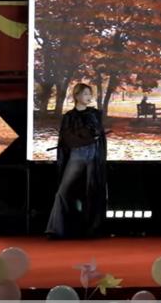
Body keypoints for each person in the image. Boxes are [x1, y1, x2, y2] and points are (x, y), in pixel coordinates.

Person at [45, 83, 108, 239]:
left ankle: (91, 230)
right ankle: (56, 229)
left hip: (93, 156)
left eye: (90, 94)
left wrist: (89, 135)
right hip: (77, 156)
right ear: (77, 95)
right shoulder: (69, 116)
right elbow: (68, 139)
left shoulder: (94, 114)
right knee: (63, 191)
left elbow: (97, 133)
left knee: (92, 191)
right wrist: (85, 136)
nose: (89, 97)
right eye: (85, 93)